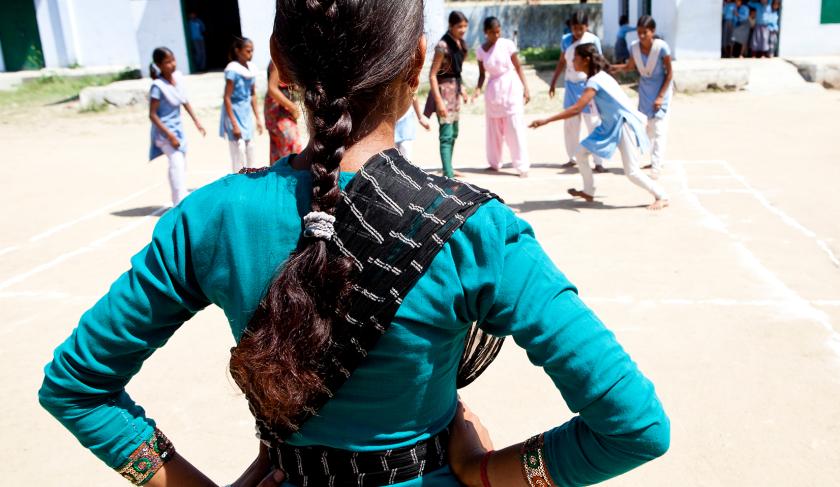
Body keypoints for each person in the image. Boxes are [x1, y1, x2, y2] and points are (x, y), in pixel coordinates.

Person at [39, 2, 670, 487]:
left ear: (280, 64)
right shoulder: (479, 234)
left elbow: (75, 385)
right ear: (419, 61)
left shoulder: (209, 217)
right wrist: (483, 470)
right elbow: (634, 427)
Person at [532, 43, 671, 210]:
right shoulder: (599, 77)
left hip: (623, 126)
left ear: (586, 60)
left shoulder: (595, 81)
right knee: (581, 153)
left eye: (575, 58)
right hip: (608, 127)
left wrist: (546, 120)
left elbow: (577, 108)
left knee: (632, 171)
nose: (572, 61)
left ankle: (662, 196)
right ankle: (589, 191)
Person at [612, 15, 673, 179]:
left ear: (652, 31)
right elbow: (630, 66)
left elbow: (669, 74)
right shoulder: (635, 48)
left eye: (644, 32)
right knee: (646, 127)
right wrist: (612, 68)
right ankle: (649, 160)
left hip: (662, 89)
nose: (641, 36)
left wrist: (660, 97)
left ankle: (657, 165)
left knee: (659, 128)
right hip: (645, 90)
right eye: (639, 32)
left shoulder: (662, 48)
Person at [147, 47, 205, 206]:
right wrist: (169, 135)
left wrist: (196, 122)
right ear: (159, 65)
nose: (172, 64)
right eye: (167, 62)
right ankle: (178, 201)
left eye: (173, 60)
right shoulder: (158, 86)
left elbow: (184, 101)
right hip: (165, 133)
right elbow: (152, 115)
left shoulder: (177, 80)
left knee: (181, 163)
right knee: (176, 162)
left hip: (177, 129)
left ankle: (180, 195)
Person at [549, 10, 606, 172]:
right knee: (571, 125)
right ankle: (572, 157)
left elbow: (599, 63)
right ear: (571, 27)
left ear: (586, 27)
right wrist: (553, 82)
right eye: (575, 28)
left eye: (581, 29)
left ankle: (598, 161)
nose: (578, 32)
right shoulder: (565, 40)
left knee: (593, 123)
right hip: (570, 85)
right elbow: (562, 62)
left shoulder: (592, 40)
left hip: (587, 85)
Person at [476, 16, 531, 177]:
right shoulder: (480, 51)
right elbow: (481, 75)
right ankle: (494, 163)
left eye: (498, 31)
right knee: (493, 129)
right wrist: (477, 89)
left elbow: (519, 67)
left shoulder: (507, 45)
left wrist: (526, 88)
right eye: (493, 32)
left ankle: (522, 166)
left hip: (511, 88)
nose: (496, 35)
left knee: (514, 127)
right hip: (493, 92)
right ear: (486, 32)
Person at [425, 11, 469, 178]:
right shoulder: (443, 46)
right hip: (444, 94)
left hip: (455, 94)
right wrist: (439, 102)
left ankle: (448, 168)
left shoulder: (460, 44)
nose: (463, 29)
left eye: (465, 26)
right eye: (459, 26)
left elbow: (457, 73)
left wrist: (462, 89)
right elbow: (432, 75)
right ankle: (448, 175)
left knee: (454, 133)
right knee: (446, 135)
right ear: (451, 26)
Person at [220, 37, 263, 172]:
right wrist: (234, 124)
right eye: (248, 51)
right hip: (234, 112)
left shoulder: (251, 70)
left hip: (245, 113)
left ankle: (248, 180)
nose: (250, 54)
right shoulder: (232, 70)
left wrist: (258, 118)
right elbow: (227, 98)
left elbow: (253, 95)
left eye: (252, 51)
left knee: (250, 148)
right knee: (238, 150)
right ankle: (236, 182)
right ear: (238, 51)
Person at [265, 60, 303, 164]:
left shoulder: (284, 59)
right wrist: (293, 108)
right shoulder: (278, 58)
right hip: (278, 110)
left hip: (279, 107)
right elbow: (272, 88)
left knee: (279, 150)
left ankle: (278, 177)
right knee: (292, 146)